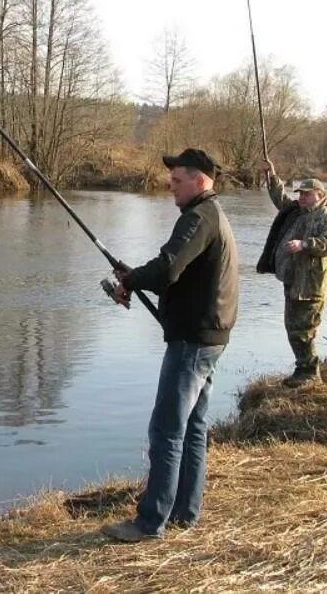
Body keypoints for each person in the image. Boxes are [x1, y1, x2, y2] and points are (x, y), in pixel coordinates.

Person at [100, 148, 239, 542]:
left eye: (177, 180)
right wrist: (134, 277)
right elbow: (177, 274)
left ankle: (150, 522)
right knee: (192, 428)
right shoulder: (210, 215)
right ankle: (184, 514)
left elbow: (167, 269)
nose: (170, 186)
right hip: (208, 337)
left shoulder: (199, 218)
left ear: (200, 180)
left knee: (167, 430)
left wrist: (131, 281)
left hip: (193, 342)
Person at [257, 160, 327, 386]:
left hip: (311, 284)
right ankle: (303, 369)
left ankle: (309, 373)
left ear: (320, 195)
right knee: (293, 327)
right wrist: (272, 175)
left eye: (307, 194)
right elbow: (281, 199)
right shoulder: (299, 211)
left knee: (304, 329)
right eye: (301, 194)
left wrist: (304, 245)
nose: (302, 197)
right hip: (294, 280)